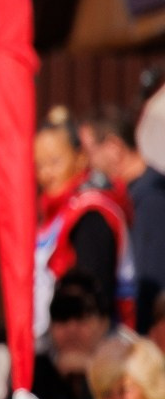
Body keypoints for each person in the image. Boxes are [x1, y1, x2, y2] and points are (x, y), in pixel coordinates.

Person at [33, 111, 130, 332]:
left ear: (80, 158)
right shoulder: (54, 216)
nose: (46, 173)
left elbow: (93, 296)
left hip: (91, 349)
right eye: (39, 165)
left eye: (54, 162)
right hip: (54, 342)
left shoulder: (90, 214)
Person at [81, 104, 165, 331]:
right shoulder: (132, 197)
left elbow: (152, 287)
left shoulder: (151, 201)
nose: (86, 163)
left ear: (114, 147)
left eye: (89, 151)